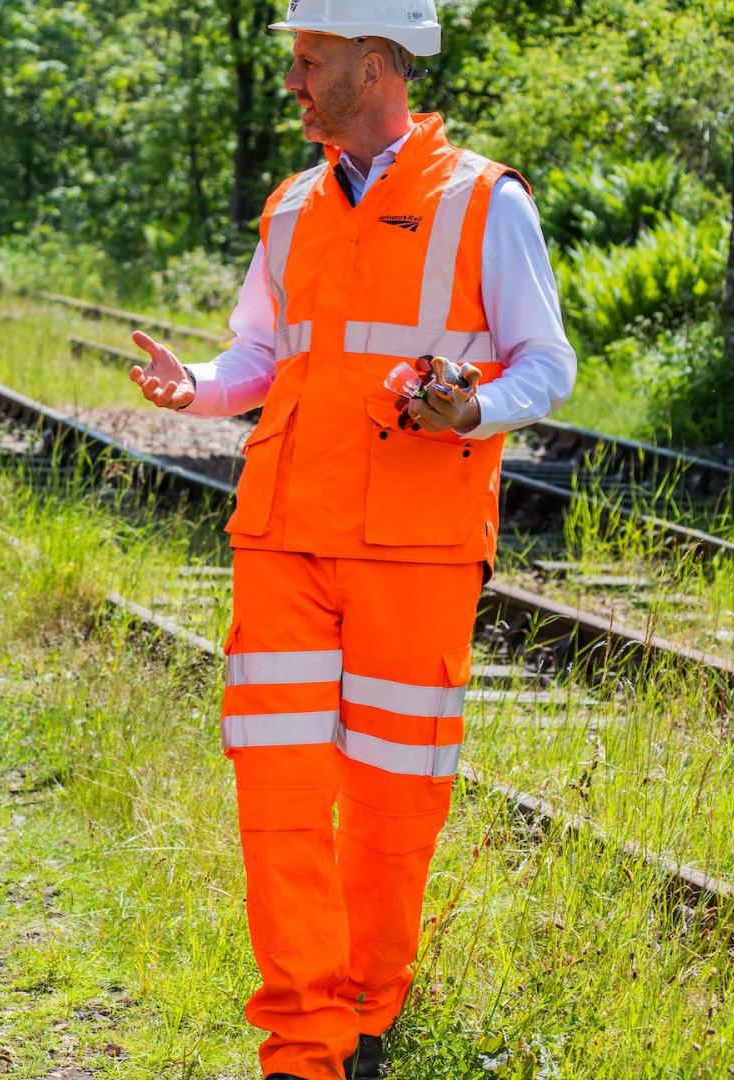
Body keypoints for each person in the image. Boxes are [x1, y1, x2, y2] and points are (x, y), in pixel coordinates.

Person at [126, 2, 575, 1077]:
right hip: (282, 534)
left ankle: (367, 1012)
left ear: (373, 65)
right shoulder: (289, 205)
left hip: (412, 546)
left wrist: (468, 408)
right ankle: (303, 1038)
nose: (290, 79)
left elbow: (543, 366)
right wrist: (192, 388)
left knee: (387, 799)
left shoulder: (482, 201)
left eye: (307, 60)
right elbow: (259, 354)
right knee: (274, 793)